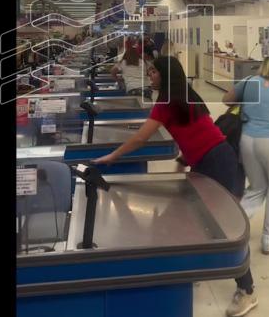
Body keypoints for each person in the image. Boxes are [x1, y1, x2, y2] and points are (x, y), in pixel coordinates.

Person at [93, 56, 258, 317]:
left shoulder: (167, 103)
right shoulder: (184, 95)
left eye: (154, 72)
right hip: (211, 158)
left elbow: (140, 138)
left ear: (166, 76)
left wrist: (112, 156)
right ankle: (195, 266)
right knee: (183, 217)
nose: (151, 76)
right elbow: (196, 129)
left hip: (217, 159)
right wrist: (184, 158)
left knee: (222, 226)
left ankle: (247, 290)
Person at [223, 56, 269, 256]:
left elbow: (226, 100)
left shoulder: (248, 82)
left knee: (257, 188)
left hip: (247, 139)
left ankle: (230, 229)